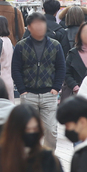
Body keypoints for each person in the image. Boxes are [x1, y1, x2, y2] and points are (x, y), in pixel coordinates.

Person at [11, 12, 65, 150]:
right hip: (28, 94)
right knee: (28, 130)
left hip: (49, 94)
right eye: (36, 24)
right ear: (29, 27)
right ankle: (29, 158)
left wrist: (56, 88)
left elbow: (60, 68)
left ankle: (48, 158)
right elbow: (16, 69)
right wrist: (22, 90)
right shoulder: (21, 46)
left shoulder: (55, 45)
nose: (40, 27)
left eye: (42, 24)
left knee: (51, 130)